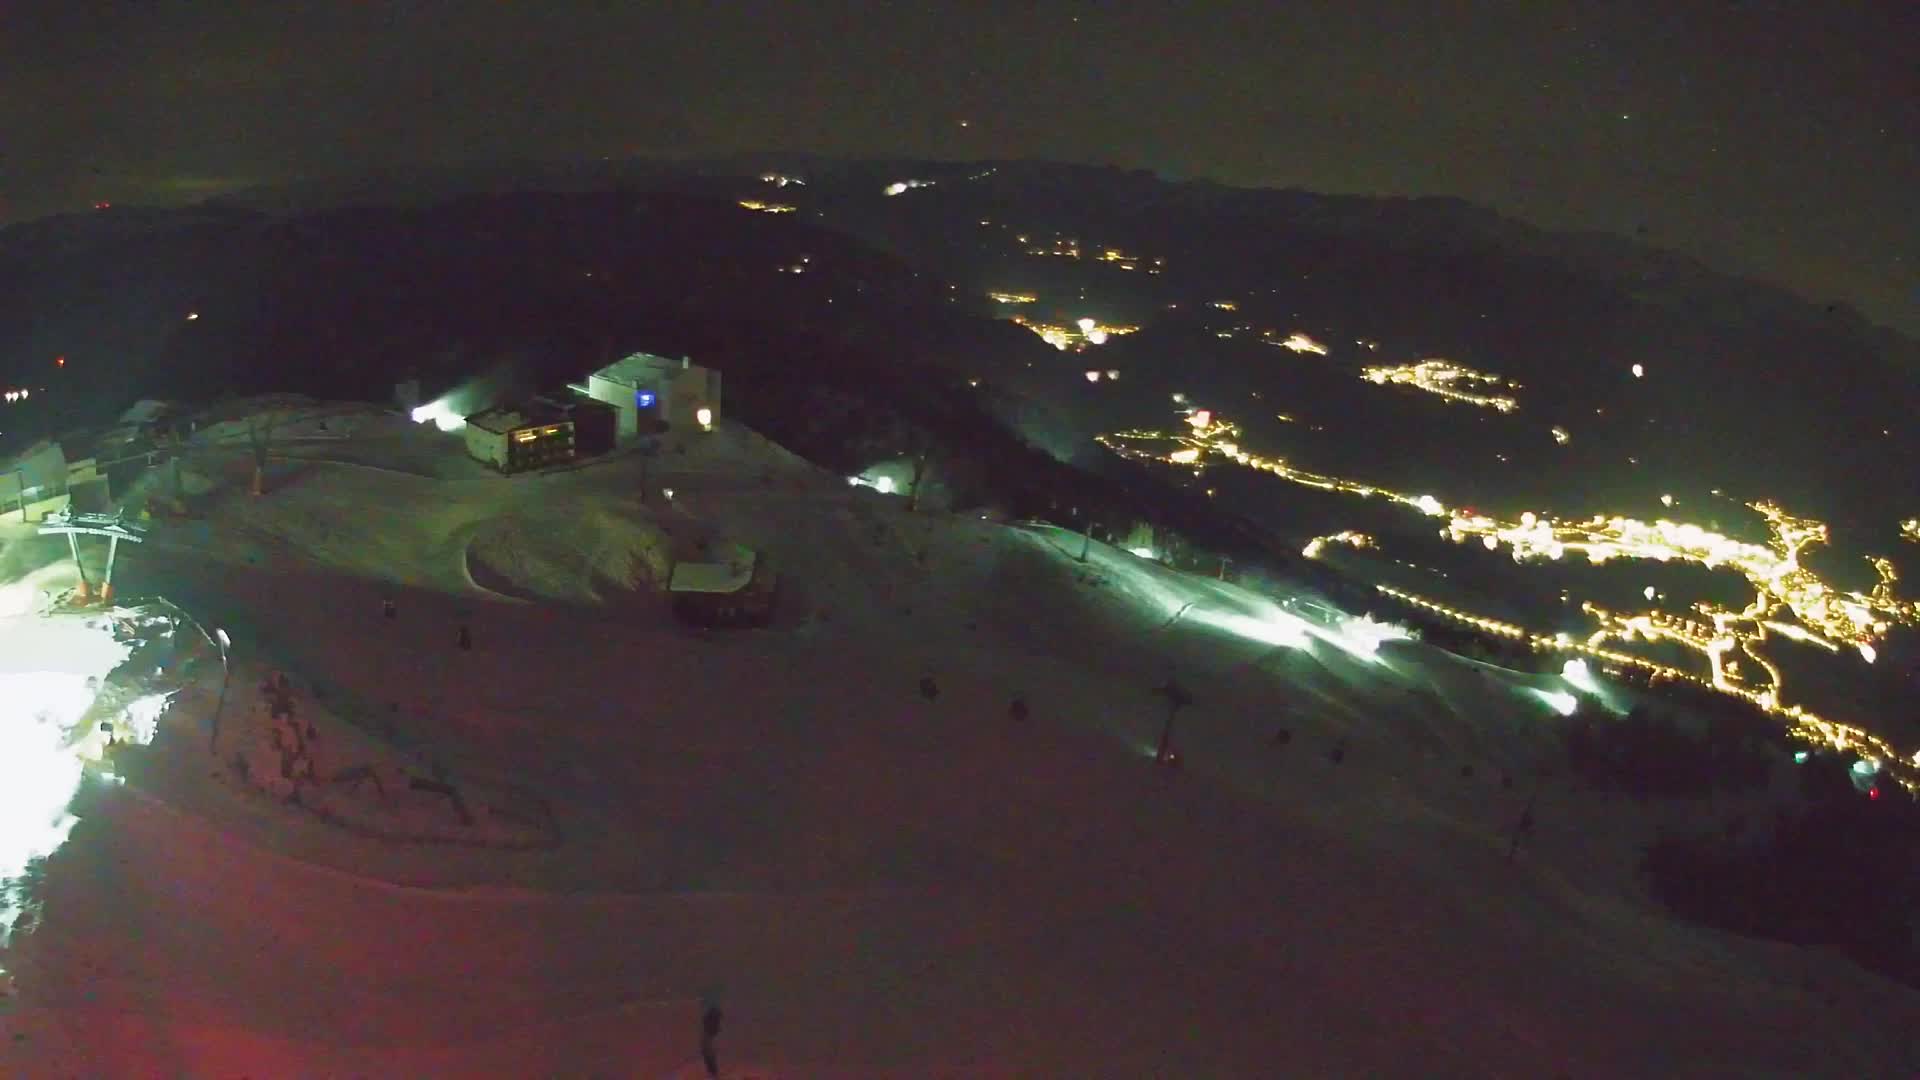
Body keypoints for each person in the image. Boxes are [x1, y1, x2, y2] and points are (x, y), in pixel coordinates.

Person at [700, 1003, 723, 1078]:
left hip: (707, 1040)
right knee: (710, 1057)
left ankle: (712, 1074)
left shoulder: (709, 1023)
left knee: (709, 1057)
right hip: (707, 1040)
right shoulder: (710, 1024)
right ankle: (712, 1074)